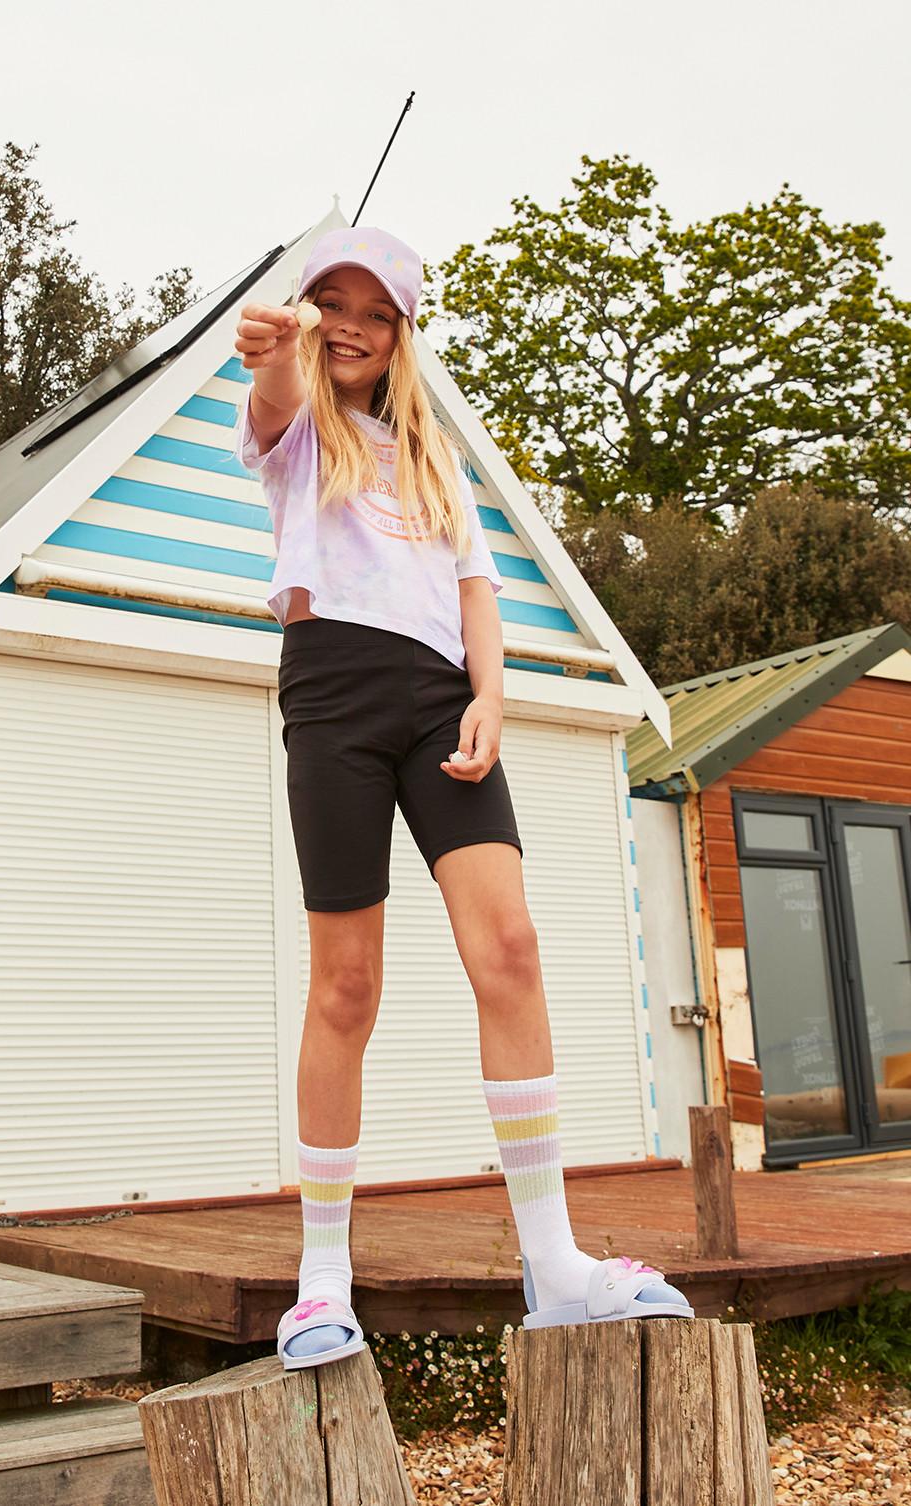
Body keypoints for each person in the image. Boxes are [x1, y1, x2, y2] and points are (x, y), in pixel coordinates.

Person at [231, 226, 694, 1371]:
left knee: (513, 950)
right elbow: (276, 390)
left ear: (400, 334)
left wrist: (490, 695)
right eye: (326, 302)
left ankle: (555, 1266)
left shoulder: (437, 464)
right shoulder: (295, 437)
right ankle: (322, 1277)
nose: (347, 322)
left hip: (442, 701)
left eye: (372, 309)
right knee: (346, 984)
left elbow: (477, 591)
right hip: (331, 691)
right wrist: (270, 349)